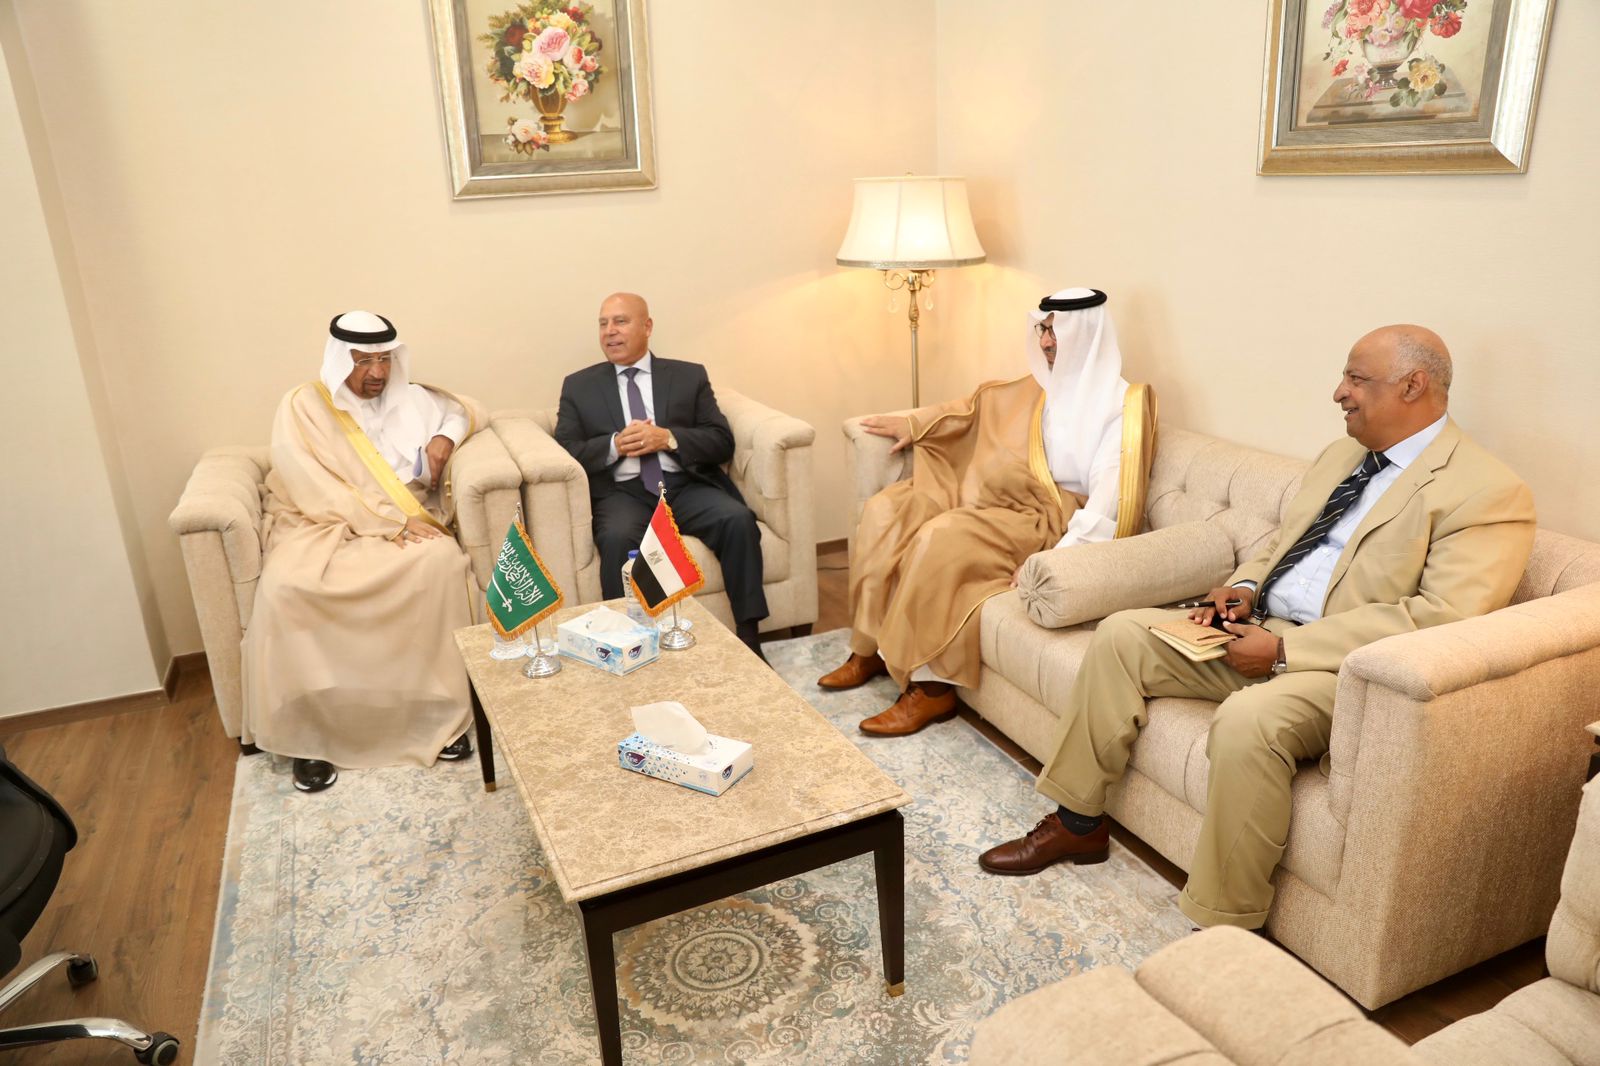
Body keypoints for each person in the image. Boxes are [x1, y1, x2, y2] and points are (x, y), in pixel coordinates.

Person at [979, 324, 1536, 933]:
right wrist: (1242, 590)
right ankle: (1078, 824)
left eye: (1356, 379)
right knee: (1121, 636)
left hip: (1341, 670)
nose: (1339, 392)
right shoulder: (1341, 456)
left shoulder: (1487, 492)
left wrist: (1285, 651)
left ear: (1413, 385)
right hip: (1260, 629)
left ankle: (1224, 925)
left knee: (1249, 720)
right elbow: (1281, 544)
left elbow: (1440, 617)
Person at [819, 287, 1150, 736]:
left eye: (1056, 332)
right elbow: (973, 408)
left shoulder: (1120, 407)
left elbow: (1108, 503)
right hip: (1000, 493)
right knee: (888, 509)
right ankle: (870, 647)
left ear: (1087, 333)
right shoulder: (1037, 387)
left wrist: (1053, 562)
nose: (1045, 342)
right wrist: (915, 423)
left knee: (943, 537)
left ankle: (931, 688)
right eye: (1043, 330)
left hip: (1049, 518)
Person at [241, 312, 485, 793]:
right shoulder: (303, 405)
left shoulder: (412, 399)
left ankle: (437, 718)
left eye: (384, 360)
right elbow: (309, 485)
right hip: (320, 522)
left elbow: (468, 410)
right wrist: (388, 522)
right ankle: (310, 738)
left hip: (402, 517)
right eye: (362, 361)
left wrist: (444, 439)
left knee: (439, 563)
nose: (377, 372)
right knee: (289, 587)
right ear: (339, 361)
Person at [554, 293, 769, 656]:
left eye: (620, 321)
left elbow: (721, 441)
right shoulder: (579, 386)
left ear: (647, 326)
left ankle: (749, 638)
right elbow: (566, 450)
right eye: (603, 323)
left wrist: (668, 438)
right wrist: (614, 445)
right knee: (616, 536)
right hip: (623, 493)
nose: (610, 331)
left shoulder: (688, 376)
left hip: (684, 485)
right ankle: (625, 645)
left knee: (736, 519)